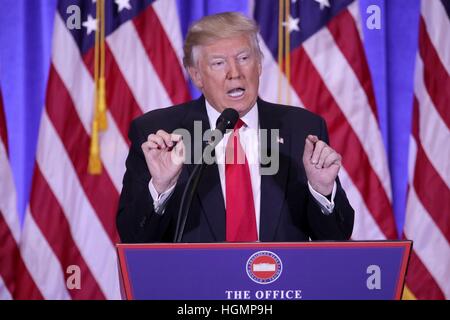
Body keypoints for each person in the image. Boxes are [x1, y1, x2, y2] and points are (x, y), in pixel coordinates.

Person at [116, 12, 354, 243]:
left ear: (259, 64)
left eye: (243, 58)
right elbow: (134, 238)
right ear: (196, 75)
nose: (235, 73)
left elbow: (335, 238)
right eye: (219, 63)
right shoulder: (160, 132)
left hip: (280, 282)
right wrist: (161, 187)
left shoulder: (302, 129)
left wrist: (322, 190)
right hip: (197, 282)